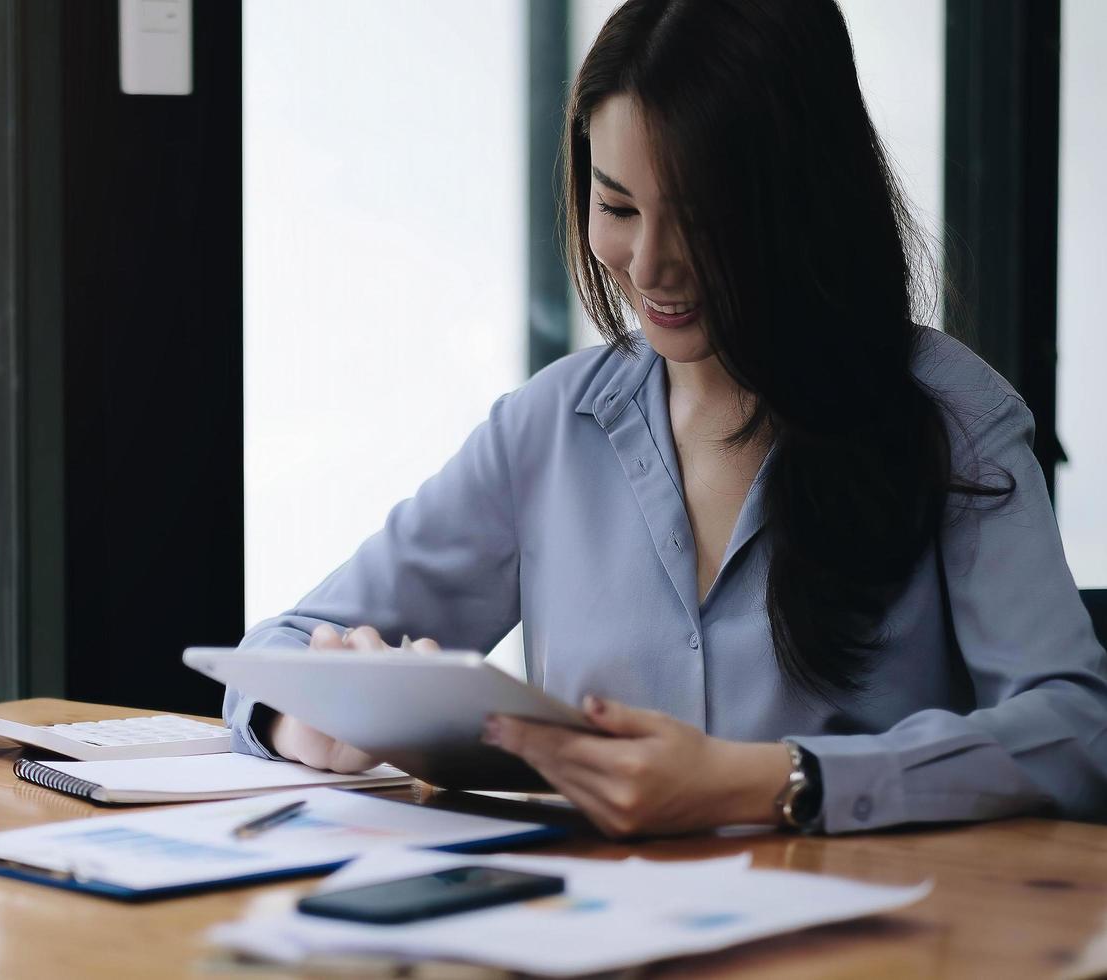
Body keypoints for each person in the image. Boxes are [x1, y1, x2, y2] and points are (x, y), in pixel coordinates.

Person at [223, 0, 1107, 837]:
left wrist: (772, 781)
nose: (648, 265)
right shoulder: (548, 426)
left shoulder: (950, 413)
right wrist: (318, 726)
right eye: (616, 208)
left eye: (703, 221)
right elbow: (278, 651)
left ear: (802, 203)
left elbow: (1074, 731)